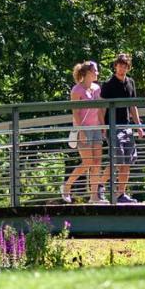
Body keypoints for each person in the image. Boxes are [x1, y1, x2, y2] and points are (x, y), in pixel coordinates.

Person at [99, 53, 144, 203]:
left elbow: (132, 106)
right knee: (117, 160)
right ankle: (100, 184)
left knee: (127, 162)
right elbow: (101, 108)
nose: (122, 68)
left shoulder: (130, 82)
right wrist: (103, 127)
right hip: (112, 126)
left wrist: (138, 126)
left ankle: (120, 194)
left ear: (128, 67)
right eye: (119, 65)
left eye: (125, 66)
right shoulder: (108, 84)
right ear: (115, 66)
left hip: (127, 127)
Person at [61, 61, 104, 203]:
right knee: (87, 162)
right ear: (87, 73)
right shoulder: (76, 90)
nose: (97, 73)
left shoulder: (97, 88)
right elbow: (76, 113)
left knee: (97, 162)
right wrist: (81, 132)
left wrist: (103, 126)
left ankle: (94, 197)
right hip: (83, 129)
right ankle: (67, 187)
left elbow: (99, 109)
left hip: (96, 128)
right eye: (95, 71)